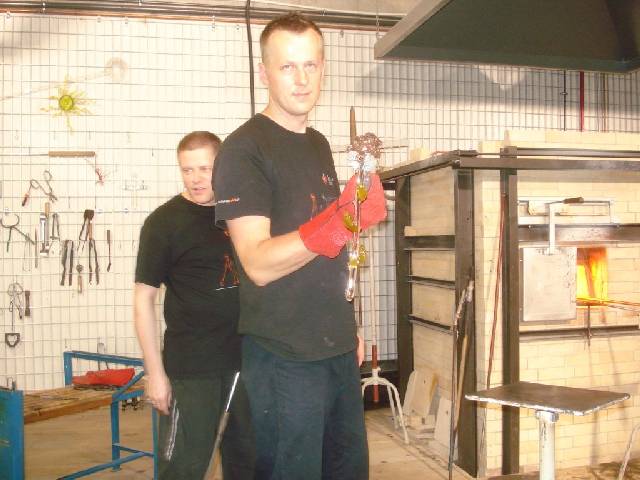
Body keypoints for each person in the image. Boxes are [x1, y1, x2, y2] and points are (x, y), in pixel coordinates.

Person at [212, 13, 387, 480]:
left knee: (347, 471)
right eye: (287, 66)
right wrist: (337, 223)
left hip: (335, 347)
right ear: (264, 72)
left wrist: (347, 326)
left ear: (323, 67)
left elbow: (334, 257)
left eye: (311, 64)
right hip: (285, 355)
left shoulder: (319, 144)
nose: (302, 79)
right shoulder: (243, 150)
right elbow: (258, 263)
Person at [134, 131, 254, 480]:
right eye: (187, 170)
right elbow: (143, 299)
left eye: (205, 169)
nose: (196, 179)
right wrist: (156, 374)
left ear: (223, 166)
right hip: (192, 369)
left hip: (247, 363)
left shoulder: (242, 215)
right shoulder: (163, 223)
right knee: (184, 467)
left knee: (249, 462)